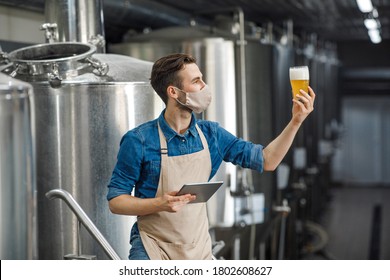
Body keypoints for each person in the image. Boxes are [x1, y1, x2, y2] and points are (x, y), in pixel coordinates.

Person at [107, 53, 315, 260]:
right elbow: (116, 201)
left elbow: (267, 160)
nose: (205, 87)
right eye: (197, 81)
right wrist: (159, 204)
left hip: (199, 248)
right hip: (152, 248)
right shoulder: (139, 140)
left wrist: (296, 121)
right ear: (173, 92)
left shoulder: (211, 135)